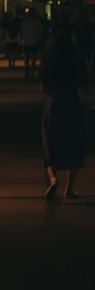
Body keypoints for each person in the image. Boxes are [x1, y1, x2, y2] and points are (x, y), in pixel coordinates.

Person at [41, 24, 88, 201]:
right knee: (74, 144)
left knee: (51, 143)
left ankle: (53, 179)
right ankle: (69, 188)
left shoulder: (48, 59)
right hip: (72, 101)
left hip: (53, 102)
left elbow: (43, 85)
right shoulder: (77, 59)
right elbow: (84, 86)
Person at [21, 8, 44, 81]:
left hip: (27, 42)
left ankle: (27, 72)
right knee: (33, 58)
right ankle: (32, 72)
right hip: (34, 42)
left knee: (27, 58)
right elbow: (40, 33)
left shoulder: (25, 22)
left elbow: (22, 32)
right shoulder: (37, 23)